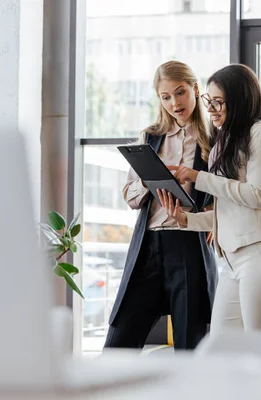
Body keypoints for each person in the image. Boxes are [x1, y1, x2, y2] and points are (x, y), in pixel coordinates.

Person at [158, 64, 261, 335]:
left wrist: (199, 177)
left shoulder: (259, 132)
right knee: (220, 350)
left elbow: (257, 196)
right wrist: (187, 220)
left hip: (260, 254)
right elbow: (229, 209)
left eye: (218, 102)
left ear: (240, 100)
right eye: (209, 101)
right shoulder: (223, 141)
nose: (210, 109)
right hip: (231, 261)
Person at [104, 60, 218, 351]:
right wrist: (151, 178)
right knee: (118, 346)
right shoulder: (149, 138)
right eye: (165, 97)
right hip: (147, 248)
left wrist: (213, 216)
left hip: (189, 247)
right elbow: (130, 197)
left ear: (194, 88)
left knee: (189, 350)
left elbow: (227, 192)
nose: (174, 103)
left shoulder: (215, 140)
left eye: (179, 93)